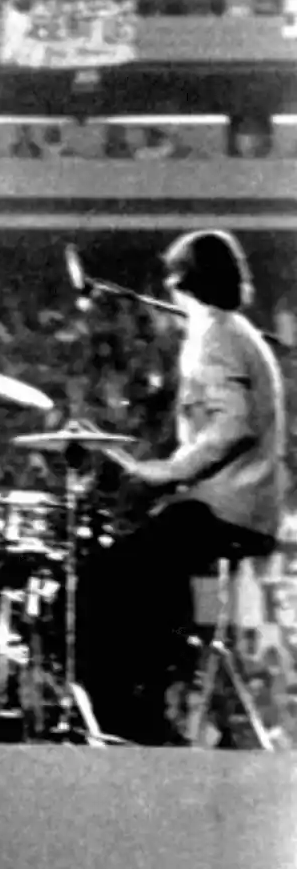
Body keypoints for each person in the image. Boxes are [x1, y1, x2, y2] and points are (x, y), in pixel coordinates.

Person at [82, 229, 288, 745]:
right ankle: (154, 697)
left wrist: (169, 472)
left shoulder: (214, 336)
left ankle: (127, 724)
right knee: (145, 575)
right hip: (240, 507)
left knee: (102, 580)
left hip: (225, 511)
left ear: (177, 284)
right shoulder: (234, 331)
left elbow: (234, 425)